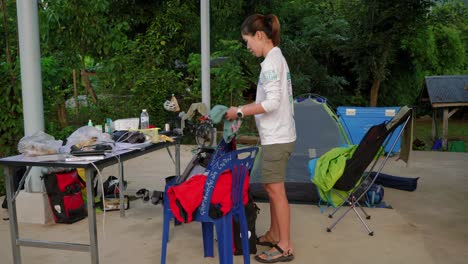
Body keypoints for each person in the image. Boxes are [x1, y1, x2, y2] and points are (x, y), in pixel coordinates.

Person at [225, 13, 296, 263]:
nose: (248, 47)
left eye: (248, 41)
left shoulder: (269, 63)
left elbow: (272, 103)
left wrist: (239, 111)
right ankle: (275, 234)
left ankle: (284, 246)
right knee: (271, 187)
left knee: (276, 192)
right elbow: (268, 101)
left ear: (259, 35)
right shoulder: (277, 58)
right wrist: (244, 112)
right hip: (278, 135)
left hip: (277, 137)